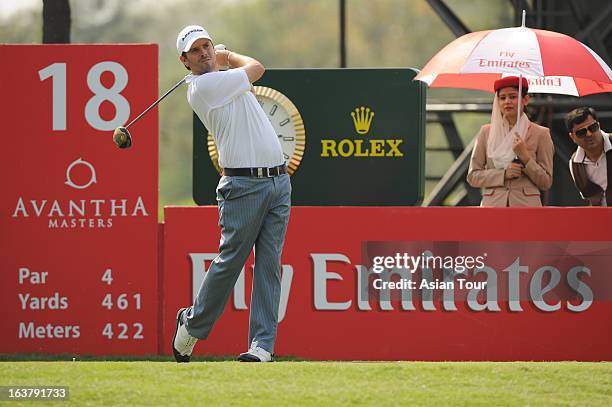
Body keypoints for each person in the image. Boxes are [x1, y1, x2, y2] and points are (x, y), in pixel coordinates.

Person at [171, 25, 291, 363]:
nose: (205, 53)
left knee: (269, 266)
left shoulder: (224, 80)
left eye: (207, 46)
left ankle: (262, 346)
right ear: (185, 60)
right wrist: (227, 56)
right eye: (196, 51)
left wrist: (224, 64)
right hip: (242, 187)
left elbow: (247, 84)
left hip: (278, 181)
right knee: (230, 264)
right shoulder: (204, 86)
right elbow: (256, 67)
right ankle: (191, 325)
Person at [467, 76, 554, 207]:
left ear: (525, 100)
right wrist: (503, 174)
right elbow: (473, 176)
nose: (507, 102)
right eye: (502, 98)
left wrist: (525, 158)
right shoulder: (486, 132)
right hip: (493, 207)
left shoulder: (541, 134)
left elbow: (546, 182)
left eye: (513, 97)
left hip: (526, 208)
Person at [566, 107, 611, 206]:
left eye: (593, 127)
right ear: (572, 137)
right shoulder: (574, 164)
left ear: (599, 125)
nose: (589, 134)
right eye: (581, 132)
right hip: (600, 219)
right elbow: (590, 199)